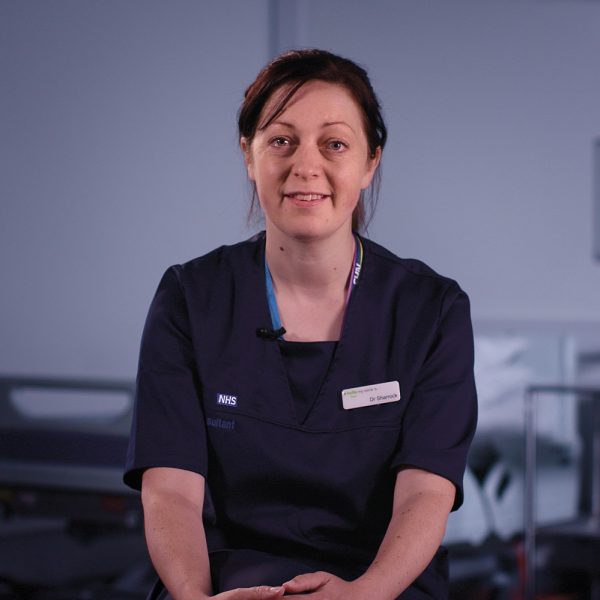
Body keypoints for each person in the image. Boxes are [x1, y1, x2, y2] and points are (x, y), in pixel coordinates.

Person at [124, 49, 477, 600]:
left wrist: (365, 595)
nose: (305, 166)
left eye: (334, 144)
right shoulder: (191, 299)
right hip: (225, 582)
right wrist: (195, 598)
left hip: (380, 584)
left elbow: (424, 494)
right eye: (281, 140)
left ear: (369, 162)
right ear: (249, 154)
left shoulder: (431, 311)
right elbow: (169, 492)